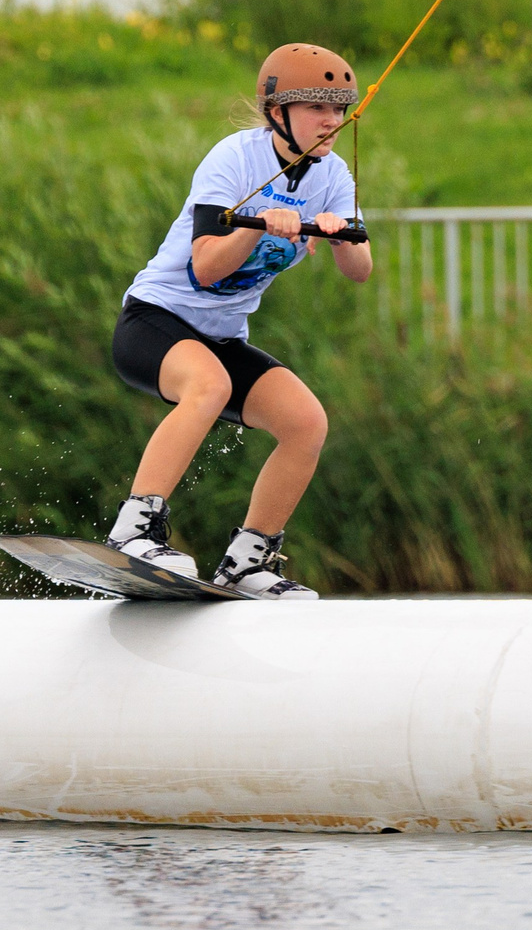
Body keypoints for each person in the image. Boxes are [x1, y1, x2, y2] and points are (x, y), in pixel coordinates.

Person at [104, 43, 371, 597]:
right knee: (210, 384)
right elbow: (204, 266)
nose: (332, 122)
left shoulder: (335, 174)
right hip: (154, 321)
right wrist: (255, 227)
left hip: (221, 337)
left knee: (305, 422)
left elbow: (360, 270)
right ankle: (132, 531)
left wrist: (335, 231)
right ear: (279, 113)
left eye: (339, 109)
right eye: (317, 109)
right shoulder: (234, 158)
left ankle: (248, 562)